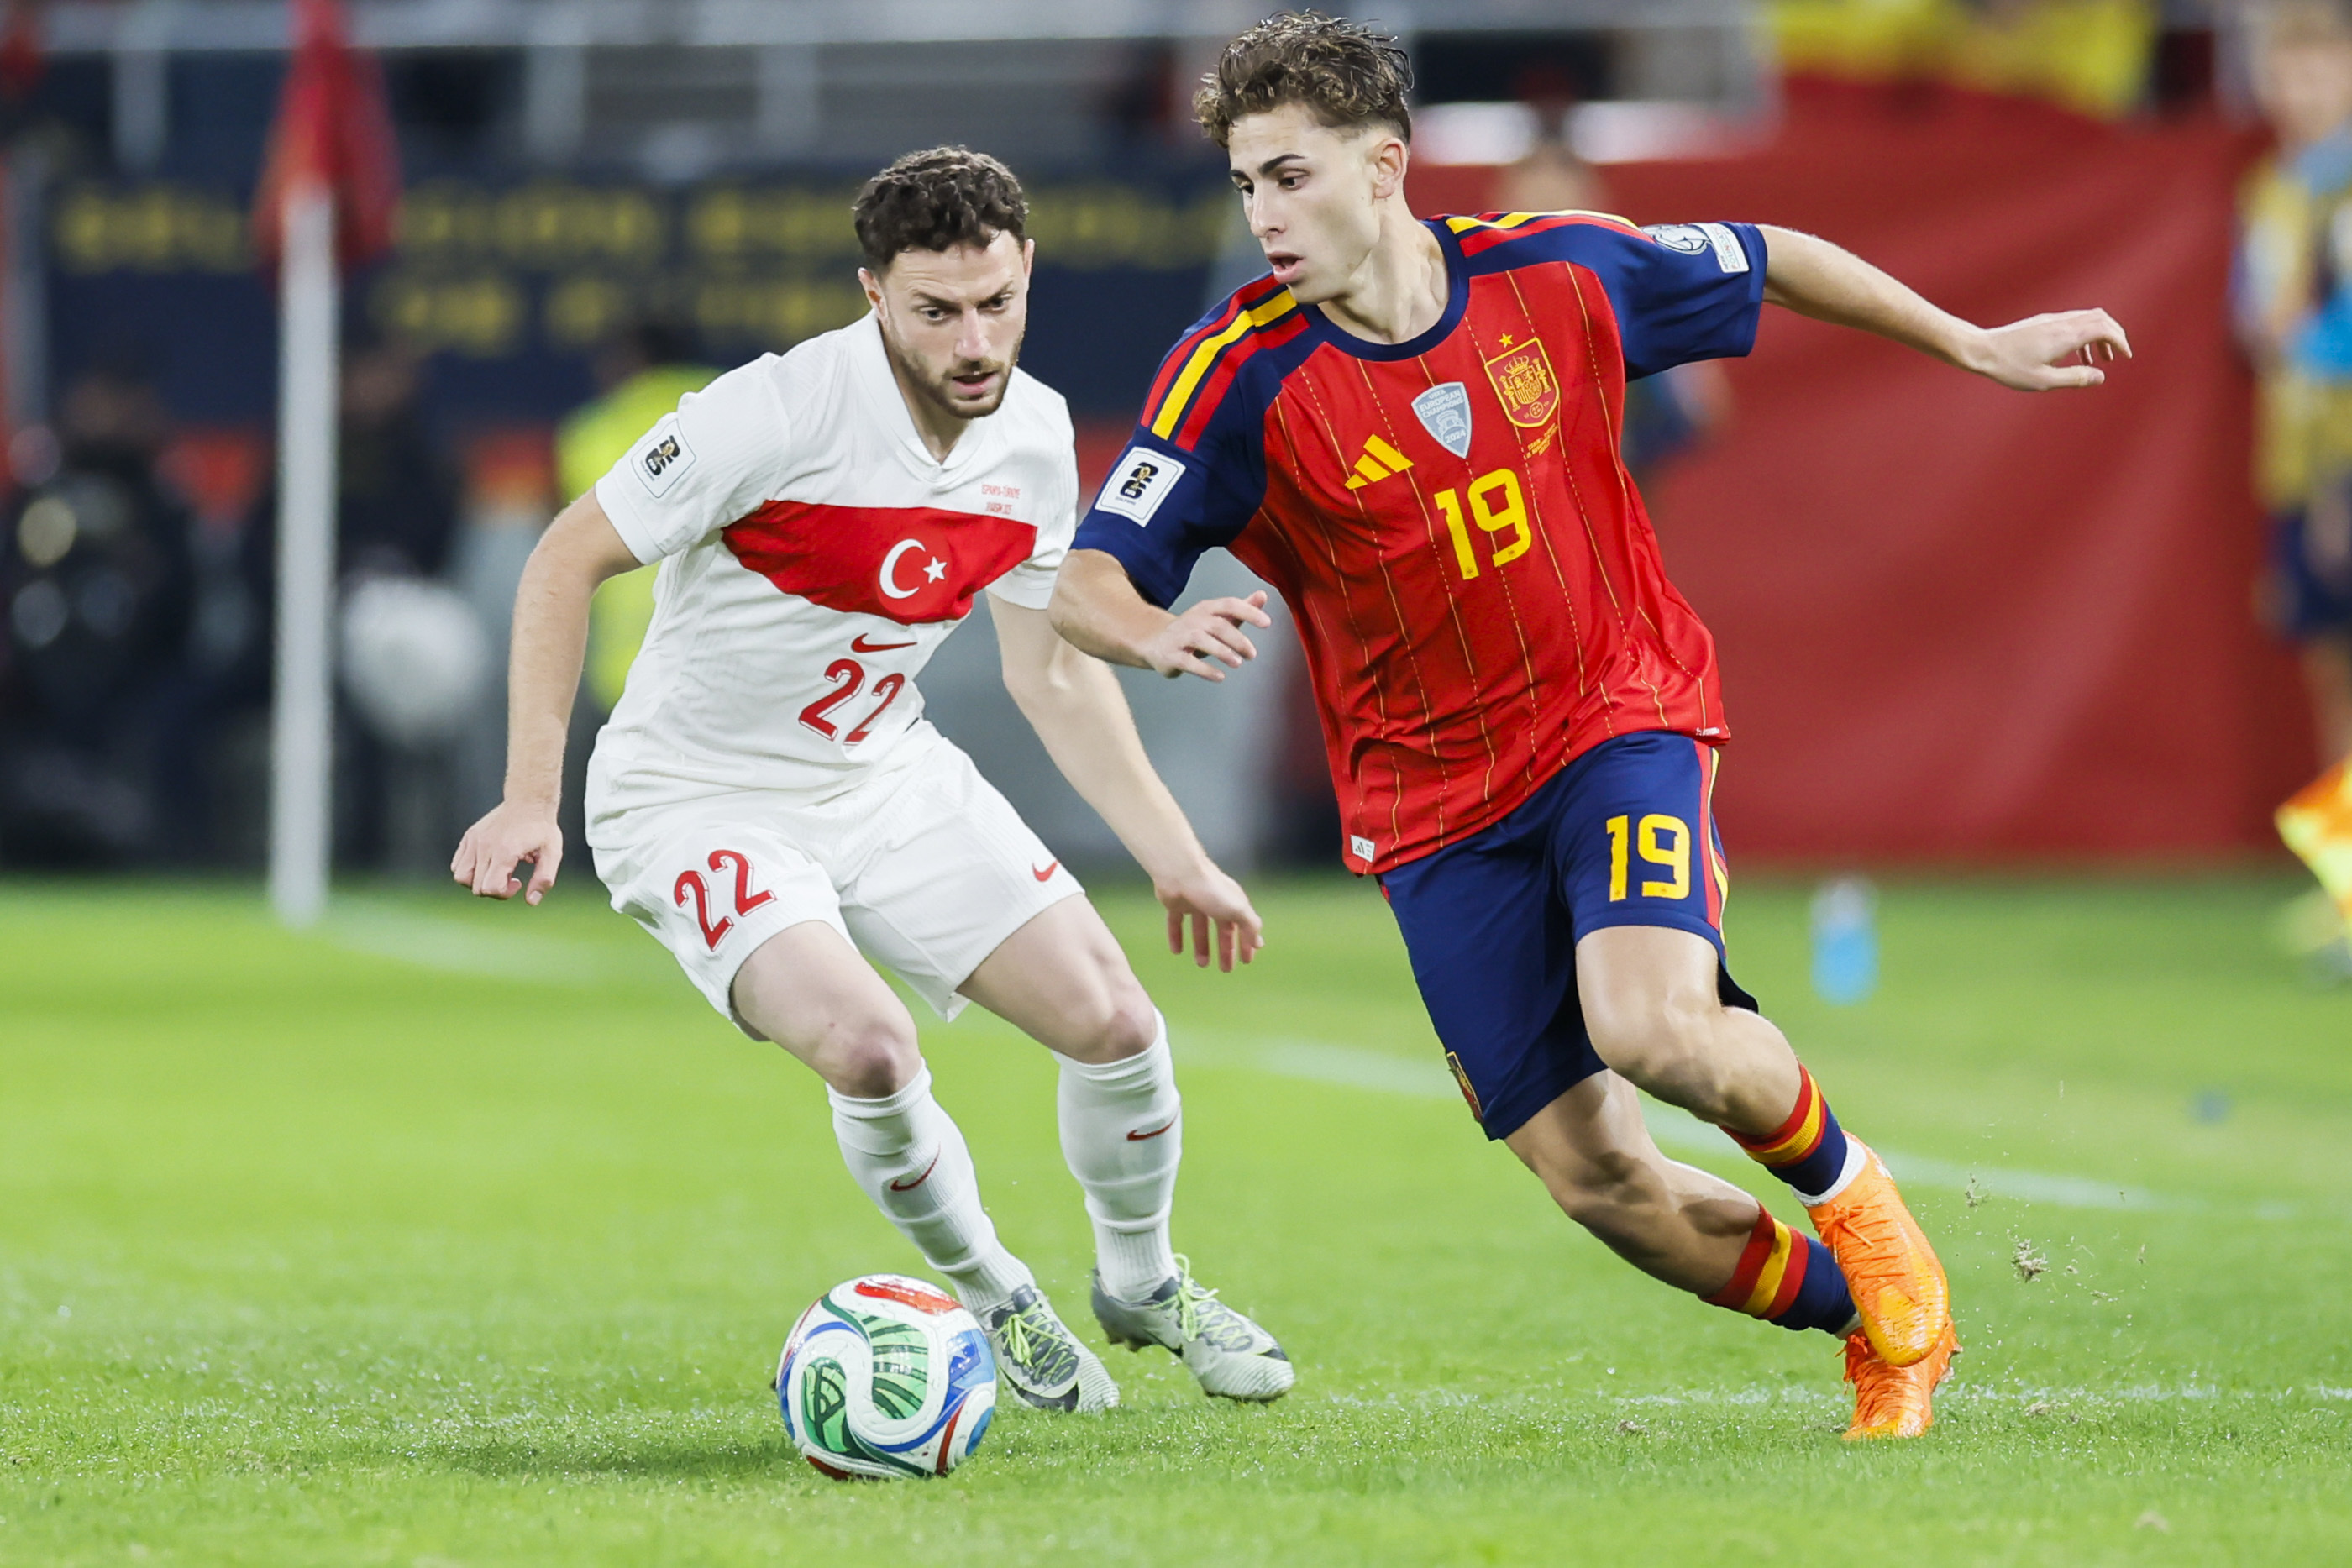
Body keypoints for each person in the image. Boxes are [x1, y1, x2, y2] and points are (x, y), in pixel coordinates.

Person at [1051, 13, 2127, 1441]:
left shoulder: (1553, 267)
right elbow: (1084, 581)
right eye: (1247, 183)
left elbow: (1773, 255)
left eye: (1291, 177)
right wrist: (1153, 629)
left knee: (1652, 1026)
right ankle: (1869, 1324)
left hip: (1616, 712)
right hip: (1430, 813)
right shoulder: (1232, 372)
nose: (1264, 215)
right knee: (1601, 1185)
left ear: (1387, 167)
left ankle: (1874, 1226)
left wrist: (1968, 342)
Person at [451, 148, 1292, 1413]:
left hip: (880, 772)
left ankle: (1144, 1281)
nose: (973, 338)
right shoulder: (772, 412)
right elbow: (565, 559)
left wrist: (1177, 855)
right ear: (873, 293)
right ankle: (1001, 1294)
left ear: (1026, 277)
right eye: (935, 310)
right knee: (871, 1049)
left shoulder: (1036, 434)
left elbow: (1051, 673)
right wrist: (530, 795)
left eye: (996, 302)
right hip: (695, 797)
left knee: (1118, 1023)